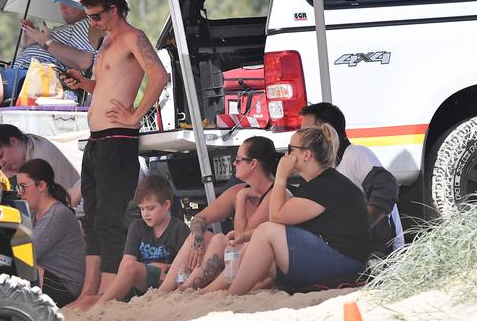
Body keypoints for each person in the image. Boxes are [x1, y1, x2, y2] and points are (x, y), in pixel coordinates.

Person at [63, 0, 168, 298]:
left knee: (109, 219)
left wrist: (136, 115)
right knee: (92, 219)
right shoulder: (108, 41)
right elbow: (109, 87)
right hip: (97, 140)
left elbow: (159, 75)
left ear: (113, 9)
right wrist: (84, 82)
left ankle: (111, 292)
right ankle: (90, 291)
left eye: (95, 16)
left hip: (118, 139)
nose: (92, 23)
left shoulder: (133, 37)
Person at [227, 124, 372, 295]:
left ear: (306, 154)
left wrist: (281, 176)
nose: (286, 155)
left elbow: (275, 217)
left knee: (267, 231)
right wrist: (244, 237)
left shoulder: (328, 185)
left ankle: (232, 294)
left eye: (291, 149)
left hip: (346, 265)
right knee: (252, 248)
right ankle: (212, 290)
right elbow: (289, 223)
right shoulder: (316, 183)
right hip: (335, 258)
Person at [160, 135, 289, 292]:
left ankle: (188, 288)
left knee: (223, 241)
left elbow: (242, 234)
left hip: (259, 267)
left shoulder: (274, 193)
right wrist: (198, 238)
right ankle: (166, 290)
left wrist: (241, 199)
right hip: (233, 261)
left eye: (239, 159)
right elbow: (200, 218)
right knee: (201, 236)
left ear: (253, 164)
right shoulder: (238, 189)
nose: (234, 163)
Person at [0, 2, 100, 139]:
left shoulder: (90, 25)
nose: (62, 7)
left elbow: (84, 61)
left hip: (45, 79)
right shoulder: (63, 28)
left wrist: (46, 42)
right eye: (60, 2)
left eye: (67, 2)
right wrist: (26, 43)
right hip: (26, 71)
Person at [299, 102, 405, 254]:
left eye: (306, 132)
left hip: (380, 253)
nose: (301, 139)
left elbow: (386, 187)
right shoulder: (321, 168)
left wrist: (358, 228)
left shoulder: (356, 154)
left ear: (326, 131)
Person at [96, 175, 189, 304]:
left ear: (167, 205)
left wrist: (167, 266)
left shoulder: (179, 229)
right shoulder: (137, 226)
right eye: (142, 208)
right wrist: (149, 267)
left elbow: (187, 264)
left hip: (168, 279)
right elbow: (126, 262)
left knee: (131, 267)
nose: (145, 213)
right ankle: (103, 302)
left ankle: (101, 305)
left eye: (150, 208)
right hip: (141, 281)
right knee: (128, 266)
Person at [16, 159, 86, 306]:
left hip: (65, 287)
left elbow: (26, 253)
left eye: (23, 187)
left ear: (41, 185)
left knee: (18, 264)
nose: (20, 193)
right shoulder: (38, 214)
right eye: (18, 187)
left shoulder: (56, 215)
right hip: (52, 280)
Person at [0, 120, 81, 204]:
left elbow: (38, 211)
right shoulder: (28, 143)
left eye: (1, 156)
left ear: (13, 141)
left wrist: (11, 177)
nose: (2, 164)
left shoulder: (40, 157)